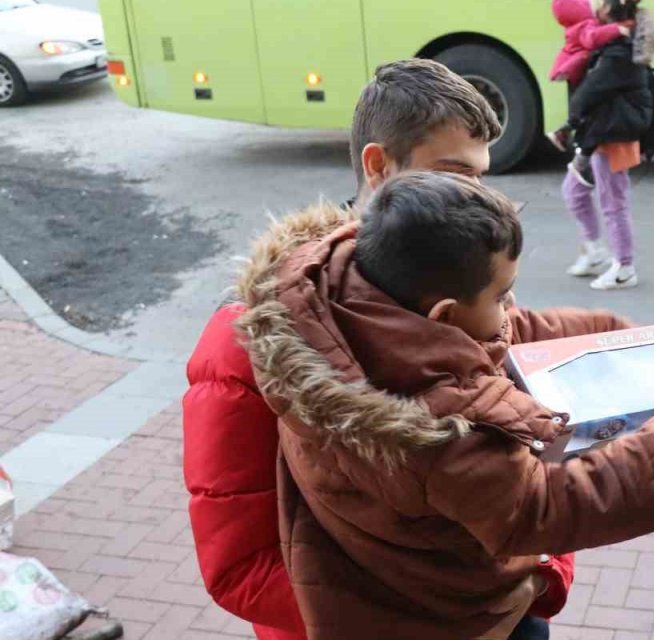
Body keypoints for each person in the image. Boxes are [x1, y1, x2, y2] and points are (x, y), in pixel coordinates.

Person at [234, 172, 654, 639]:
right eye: (502, 294)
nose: (513, 304)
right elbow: (555, 504)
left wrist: (623, 341)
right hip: (451, 623)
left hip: (402, 596)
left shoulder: (350, 296)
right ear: (441, 316)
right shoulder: (430, 437)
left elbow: (505, 335)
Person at [182, 59, 575, 640]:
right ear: (377, 166)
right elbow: (239, 567)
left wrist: (540, 577)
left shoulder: (469, 283)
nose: (473, 197)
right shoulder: (251, 338)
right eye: (452, 174)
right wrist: (453, 620)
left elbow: (531, 462)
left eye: (481, 178)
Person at [561, 0, 654, 290]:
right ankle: (594, 251)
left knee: (614, 202)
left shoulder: (619, 53)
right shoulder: (610, 45)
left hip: (614, 137)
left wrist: (570, 122)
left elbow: (588, 93)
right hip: (598, 135)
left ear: (610, 15)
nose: (593, 8)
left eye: (600, 4)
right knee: (573, 191)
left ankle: (624, 267)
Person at [546, 0, 635, 155]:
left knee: (584, 113)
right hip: (580, 73)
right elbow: (592, 38)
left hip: (579, 73)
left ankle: (573, 143)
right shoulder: (585, 24)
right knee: (585, 114)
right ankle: (573, 144)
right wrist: (617, 29)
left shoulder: (578, 24)